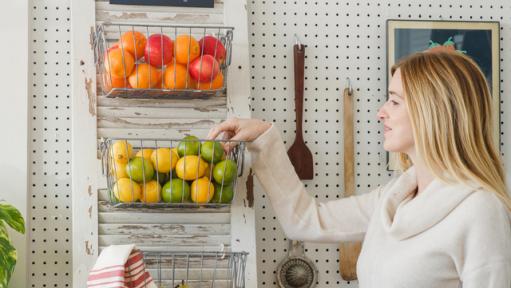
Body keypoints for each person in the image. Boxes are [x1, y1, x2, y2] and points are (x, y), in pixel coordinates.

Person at [207, 51, 511, 287]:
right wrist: (264, 137)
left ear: (433, 112)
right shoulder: (396, 196)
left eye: (394, 102)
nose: (380, 112)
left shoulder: (480, 212)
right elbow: (306, 221)